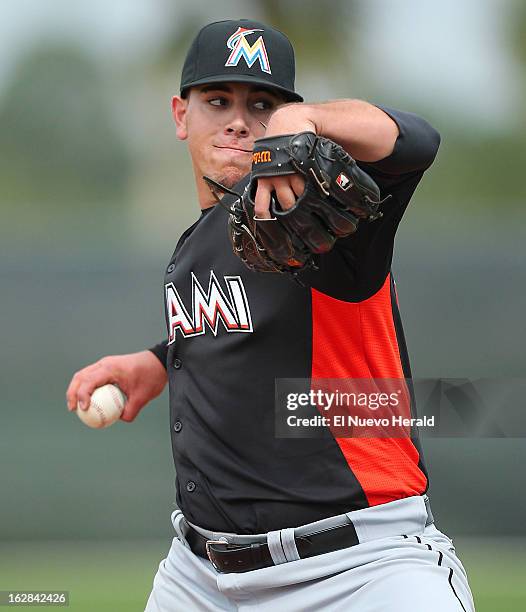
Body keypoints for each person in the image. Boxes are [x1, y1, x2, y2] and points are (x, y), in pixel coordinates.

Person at [66, 19, 475, 611]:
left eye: (261, 103)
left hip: (360, 569)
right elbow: (244, 326)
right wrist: (157, 362)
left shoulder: (323, 214)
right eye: (217, 100)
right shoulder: (195, 244)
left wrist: (304, 123)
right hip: (202, 577)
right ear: (181, 116)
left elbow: (420, 142)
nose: (238, 118)